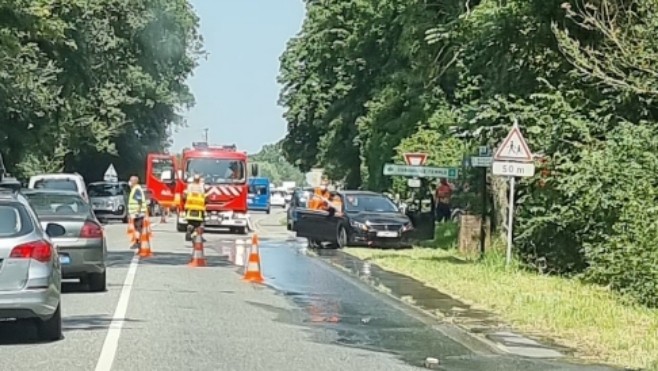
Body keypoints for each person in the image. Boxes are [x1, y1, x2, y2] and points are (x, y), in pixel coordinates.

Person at [183, 174, 206, 241]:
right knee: (199, 223)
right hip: (199, 207)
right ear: (199, 180)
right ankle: (198, 236)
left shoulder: (190, 186)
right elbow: (204, 195)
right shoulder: (201, 186)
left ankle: (189, 230)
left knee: (190, 221)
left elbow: (185, 195)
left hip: (190, 207)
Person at [127, 176, 145, 249]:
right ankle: (138, 242)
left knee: (138, 228)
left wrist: (137, 211)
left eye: (131, 180)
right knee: (137, 228)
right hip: (136, 213)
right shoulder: (135, 189)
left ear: (135, 182)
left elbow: (139, 201)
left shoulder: (136, 189)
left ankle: (138, 243)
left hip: (138, 213)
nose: (129, 182)